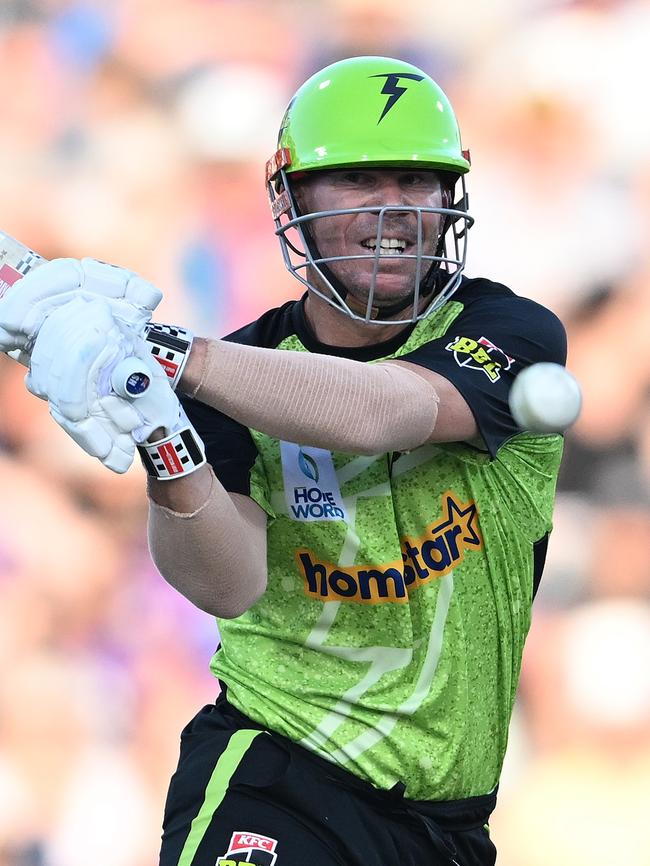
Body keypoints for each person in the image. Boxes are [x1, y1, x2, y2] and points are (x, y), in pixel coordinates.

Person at [0, 56, 567, 866]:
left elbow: (382, 408)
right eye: (356, 180)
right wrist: (167, 439)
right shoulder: (226, 372)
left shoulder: (510, 332)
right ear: (290, 198)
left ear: (453, 198)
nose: (391, 210)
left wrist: (159, 350)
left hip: (451, 822)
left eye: (416, 180)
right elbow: (226, 582)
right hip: (274, 774)